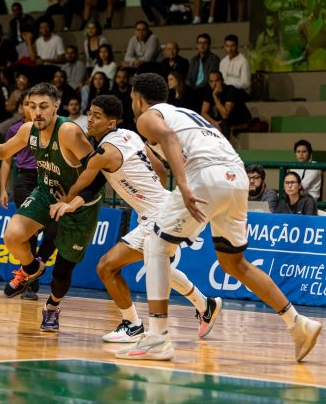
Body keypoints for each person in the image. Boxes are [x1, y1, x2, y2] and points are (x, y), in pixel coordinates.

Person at [111, 73, 321, 362]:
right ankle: (298, 323)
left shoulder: (147, 117)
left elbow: (169, 138)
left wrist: (183, 185)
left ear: (137, 98)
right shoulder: (188, 114)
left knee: (155, 246)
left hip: (205, 175)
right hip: (236, 176)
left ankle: (157, 337)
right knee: (234, 263)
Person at [50, 95, 222, 343]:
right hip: (168, 207)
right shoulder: (131, 135)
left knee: (106, 267)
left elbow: (82, 183)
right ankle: (205, 305)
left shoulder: (103, 153)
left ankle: (132, 325)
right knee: (159, 268)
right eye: (90, 114)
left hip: (158, 216)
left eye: (97, 116)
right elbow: (161, 170)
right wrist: (147, 197)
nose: (90, 119)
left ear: (111, 123)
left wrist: (66, 201)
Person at [0, 83, 105, 332]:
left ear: (56, 107)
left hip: (80, 203)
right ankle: (32, 268)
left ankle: (51, 308)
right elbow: (2, 151)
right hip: (47, 192)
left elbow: (97, 173)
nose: (37, 112)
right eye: (32, 106)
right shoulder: (28, 129)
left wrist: (73, 201)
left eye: (43, 106)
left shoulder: (69, 132)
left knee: (62, 272)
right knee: (12, 235)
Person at [0, 95, 56, 300]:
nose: (32, 108)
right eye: (28, 104)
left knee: (55, 230)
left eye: (37, 105)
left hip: (49, 179)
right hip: (25, 179)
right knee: (27, 233)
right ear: (23, 107)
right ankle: (29, 282)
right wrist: (3, 189)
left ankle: (35, 267)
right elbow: (5, 158)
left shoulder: (53, 127)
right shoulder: (16, 129)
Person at [201, 71, 251, 137]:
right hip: (225, 120)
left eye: (217, 81)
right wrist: (214, 123)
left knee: (224, 124)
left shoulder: (230, 91)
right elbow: (203, 113)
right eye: (211, 81)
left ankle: (224, 143)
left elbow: (225, 115)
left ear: (222, 81)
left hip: (241, 120)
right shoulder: (209, 91)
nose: (214, 84)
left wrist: (215, 96)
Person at [187, 33, 221, 105]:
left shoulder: (214, 59)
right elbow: (189, 77)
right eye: (200, 43)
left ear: (209, 45)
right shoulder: (194, 59)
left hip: (206, 88)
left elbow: (208, 79)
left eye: (205, 43)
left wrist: (195, 89)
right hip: (193, 88)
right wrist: (190, 87)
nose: (202, 45)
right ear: (197, 45)